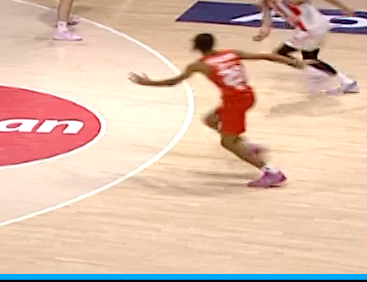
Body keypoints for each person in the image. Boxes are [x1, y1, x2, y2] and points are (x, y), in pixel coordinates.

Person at [129, 32, 303, 188]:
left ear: (196, 47)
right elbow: (266, 56)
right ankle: (247, 147)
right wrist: (293, 62)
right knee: (210, 120)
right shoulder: (231, 53)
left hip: (235, 102)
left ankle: (271, 172)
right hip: (247, 95)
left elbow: (173, 82)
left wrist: (148, 83)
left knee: (227, 142)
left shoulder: (199, 65)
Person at [250, 0, 360, 94]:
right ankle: (319, 72)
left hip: (312, 28)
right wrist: (263, 33)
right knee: (309, 57)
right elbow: (267, 20)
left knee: (284, 54)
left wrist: (344, 7)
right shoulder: (266, 2)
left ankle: (347, 82)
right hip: (306, 30)